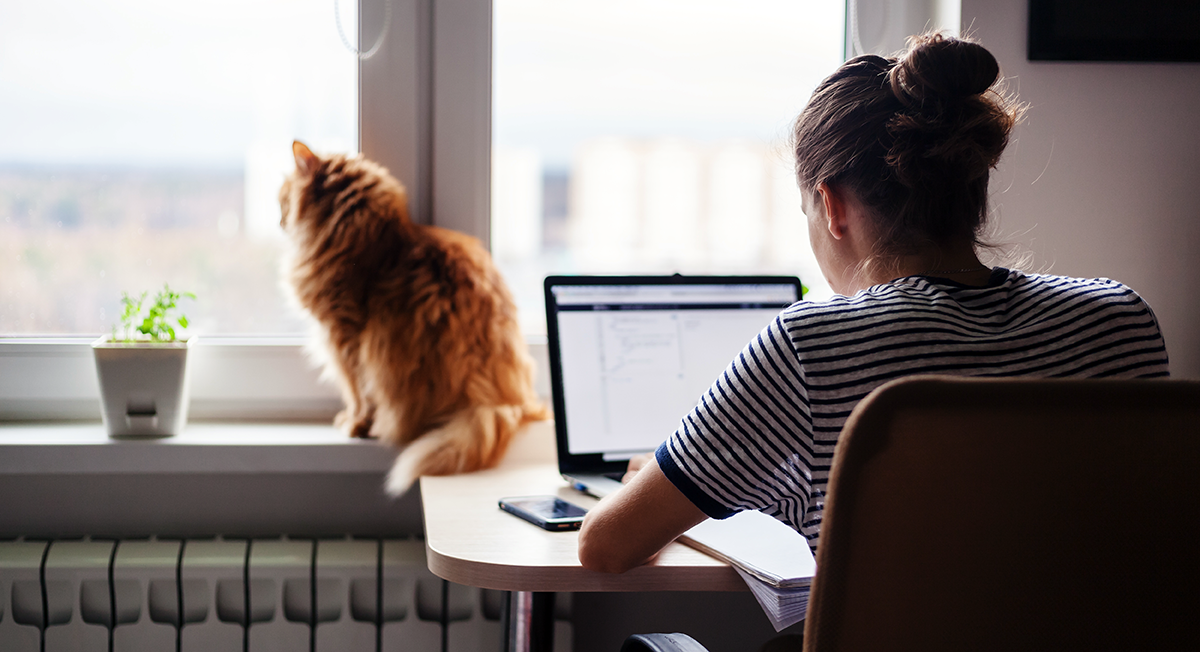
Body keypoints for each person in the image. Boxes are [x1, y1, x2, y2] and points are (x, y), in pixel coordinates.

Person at [577, 33, 1170, 574]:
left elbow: (605, 546)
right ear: (974, 183)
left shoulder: (812, 346)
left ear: (831, 206)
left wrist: (665, 484)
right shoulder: (1120, 320)